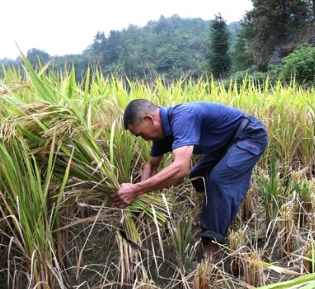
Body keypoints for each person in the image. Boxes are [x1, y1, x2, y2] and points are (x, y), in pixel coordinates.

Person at [109, 99, 269, 259]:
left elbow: (181, 168)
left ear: (149, 119)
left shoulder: (183, 116)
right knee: (197, 176)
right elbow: (151, 166)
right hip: (223, 143)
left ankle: (215, 243)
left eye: (140, 134)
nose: (143, 139)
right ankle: (218, 209)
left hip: (248, 134)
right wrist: (139, 199)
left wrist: (135, 189)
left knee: (219, 181)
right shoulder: (161, 137)